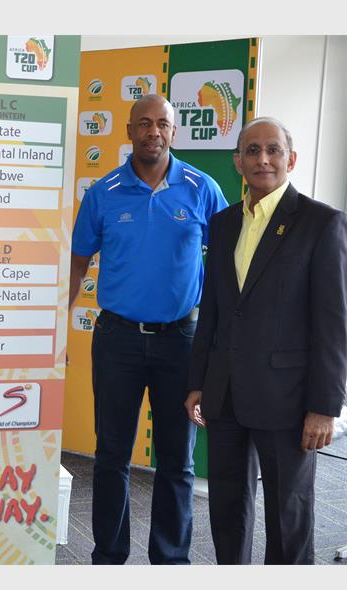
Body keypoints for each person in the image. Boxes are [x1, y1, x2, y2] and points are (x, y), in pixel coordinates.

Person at [69, 94, 227, 564]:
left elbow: (228, 263)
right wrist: (56, 328)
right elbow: (78, 263)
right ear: (129, 131)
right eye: (144, 123)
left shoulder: (202, 188)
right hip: (117, 339)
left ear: (174, 131)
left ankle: (170, 562)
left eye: (162, 123)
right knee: (111, 454)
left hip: (182, 341)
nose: (153, 131)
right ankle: (108, 557)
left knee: (177, 460)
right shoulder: (103, 192)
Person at [185, 117, 347, 564]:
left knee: (287, 514)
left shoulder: (322, 223)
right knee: (227, 509)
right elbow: (213, 310)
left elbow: (333, 324)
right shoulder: (222, 224)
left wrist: (325, 406)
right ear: (237, 162)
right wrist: (198, 381)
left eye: (273, 150)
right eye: (252, 151)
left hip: (289, 399)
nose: (263, 159)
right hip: (225, 394)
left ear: (290, 159)